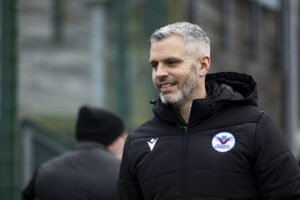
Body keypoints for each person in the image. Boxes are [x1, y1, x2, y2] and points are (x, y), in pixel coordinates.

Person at [118, 22, 300, 199]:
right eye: (154, 65)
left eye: (171, 62)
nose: (159, 73)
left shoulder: (254, 126)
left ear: (203, 65)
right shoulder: (138, 142)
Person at [22, 105, 127, 200]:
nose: (125, 141)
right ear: (112, 138)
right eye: (123, 136)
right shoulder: (123, 174)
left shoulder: (45, 171)